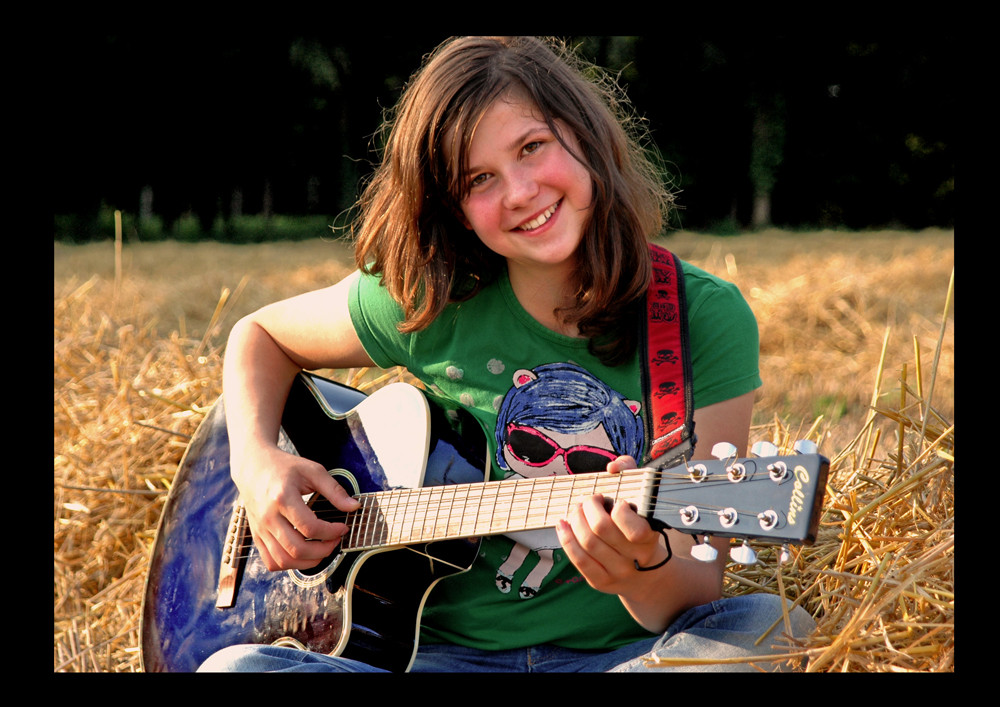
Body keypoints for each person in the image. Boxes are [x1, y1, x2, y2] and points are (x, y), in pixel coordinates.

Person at [199, 35, 816, 673]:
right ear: (456, 210)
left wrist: (640, 571)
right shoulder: (431, 296)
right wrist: (256, 461)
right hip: (431, 659)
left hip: (619, 659)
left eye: (531, 148)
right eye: (480, 180)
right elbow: (259, 336)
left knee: (768, 626)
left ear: (586, 137)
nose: (520, 191)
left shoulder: (698, 318)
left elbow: (694, 590)